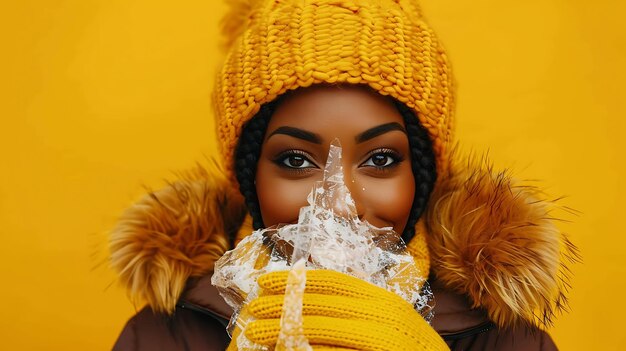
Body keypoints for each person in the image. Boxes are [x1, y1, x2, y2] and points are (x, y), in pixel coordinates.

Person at [109, 0, 578, 350]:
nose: (338, 204)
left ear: (422, 179)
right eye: (296, 161)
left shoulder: (505, 340)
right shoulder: (162, 336)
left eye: (380, 160)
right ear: (250, 181)